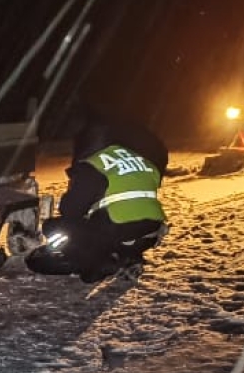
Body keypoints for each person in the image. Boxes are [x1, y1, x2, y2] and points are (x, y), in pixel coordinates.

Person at [26, 107, 168, 283]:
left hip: (117, 229)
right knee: (112, 220)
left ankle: (101, 264)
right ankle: (128, 254)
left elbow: (70, 210)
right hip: (151, 233)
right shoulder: (140, 159)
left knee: (55, 227)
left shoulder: (94, 165)